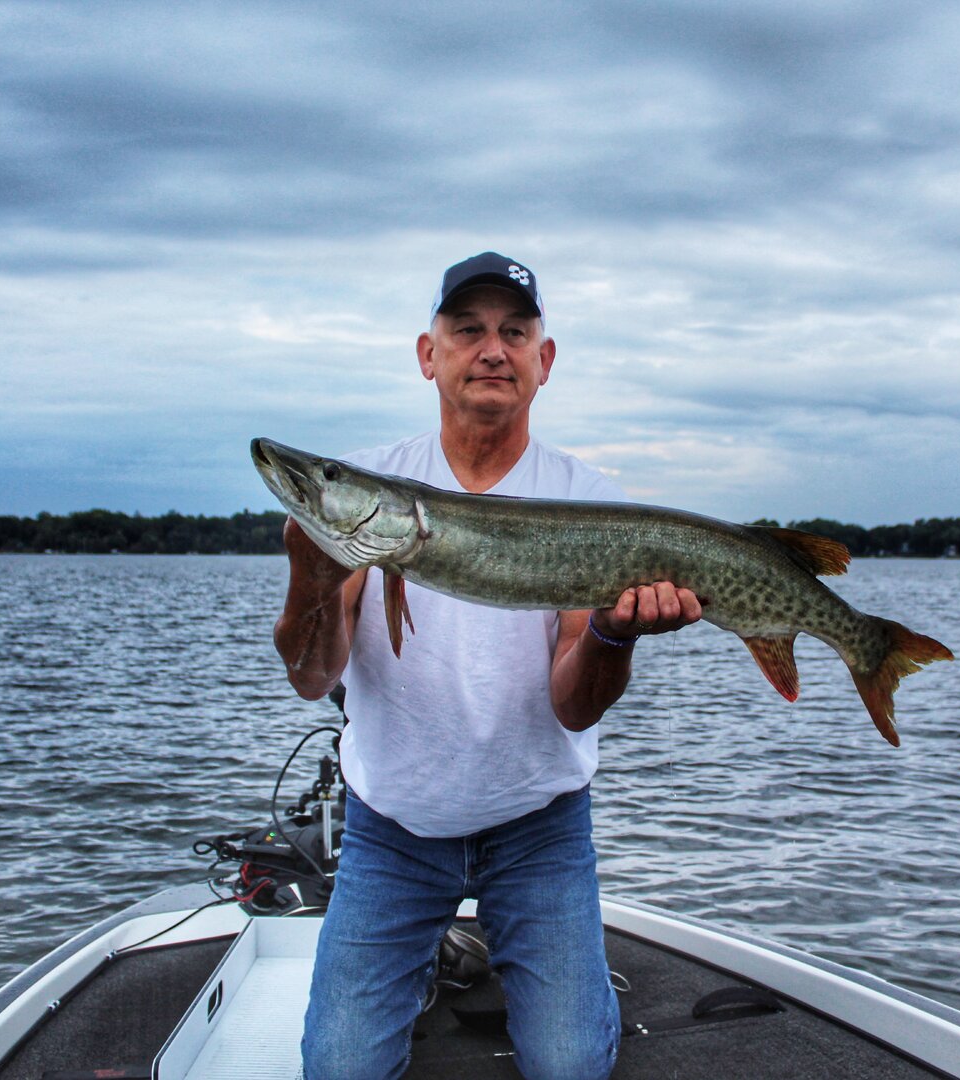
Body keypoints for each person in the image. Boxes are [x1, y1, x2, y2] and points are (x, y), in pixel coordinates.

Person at [274, 252, 702, 1080]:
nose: (492, 349)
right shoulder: (373, 489)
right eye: (467, 330)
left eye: (515, 331)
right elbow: (309, 676)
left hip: (538, 830)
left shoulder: (589, 500)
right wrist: (311, 577)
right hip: (391, 829)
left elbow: (573, 708)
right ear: (428, 354)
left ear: (545, 361)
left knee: (572, 1066)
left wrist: (613, 635)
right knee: (338, 1069)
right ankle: (444, 954)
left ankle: (539, 973)